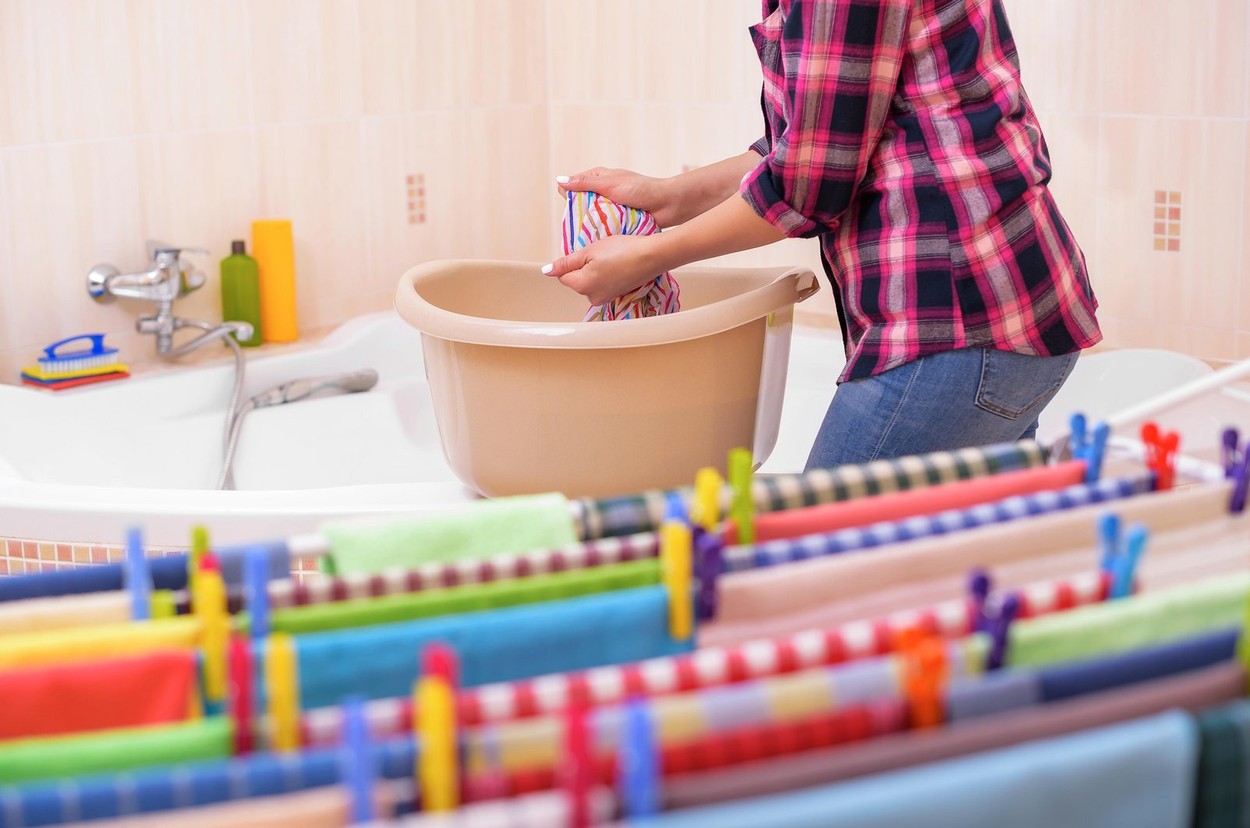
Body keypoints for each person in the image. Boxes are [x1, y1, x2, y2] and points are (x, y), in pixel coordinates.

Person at [542, 0, 1102, 471]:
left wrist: (648, 257)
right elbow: (817, 141)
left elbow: (809, 185)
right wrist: (669, 198)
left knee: (809, 564)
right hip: (1008, 317)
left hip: (957, 327)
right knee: (945, 583)